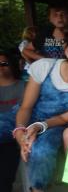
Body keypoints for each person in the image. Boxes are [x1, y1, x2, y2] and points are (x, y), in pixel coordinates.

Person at [0, 30, 68, 192]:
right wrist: (20, 131)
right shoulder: (45, 66)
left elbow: (64, 118)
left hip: (56, 124)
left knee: (43, 149)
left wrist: (39, 126)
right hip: (25, 114)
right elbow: (26, 106)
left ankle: (37, 188)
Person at [0, 50, 25, 191]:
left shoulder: (25, 86)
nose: (1, 67)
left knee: (5, 179)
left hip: (16, 138)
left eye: (4, 63)